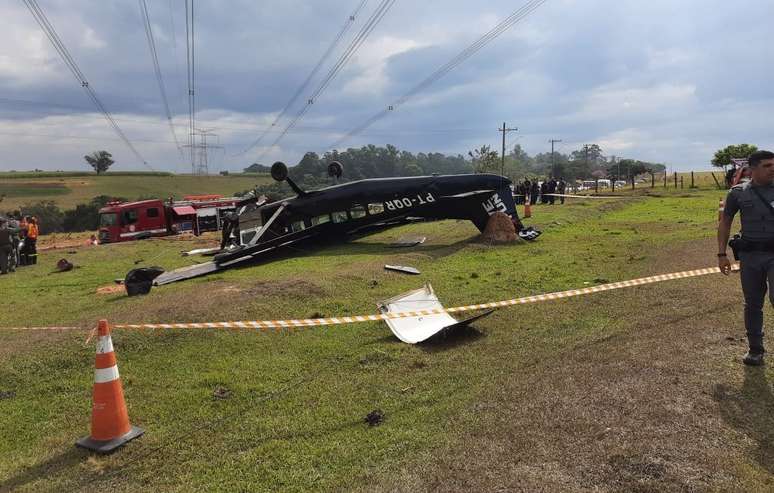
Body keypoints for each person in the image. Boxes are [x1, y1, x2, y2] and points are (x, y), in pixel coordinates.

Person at [718, 150, 774, 366]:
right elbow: (725, 222)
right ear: (752, 169)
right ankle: (755, 349)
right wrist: (722, 254)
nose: (773, 168)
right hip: (750, 256)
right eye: (767, 166)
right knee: (752, 303)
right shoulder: (738, 193)